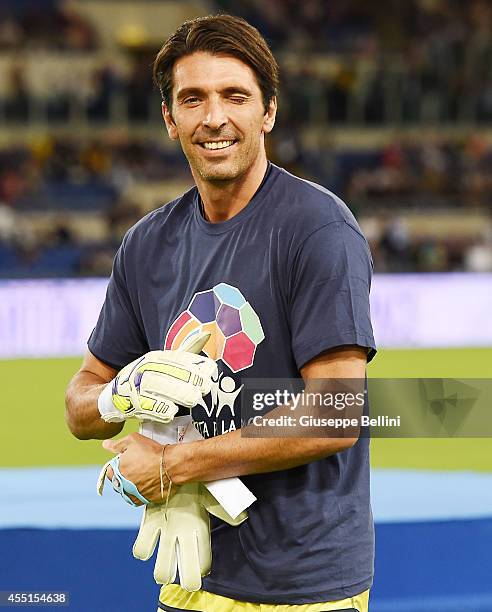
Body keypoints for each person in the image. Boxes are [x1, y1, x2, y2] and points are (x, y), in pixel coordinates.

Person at [65, 14, 376, 612]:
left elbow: (338, 413)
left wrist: (172, 462)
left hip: (302, 586)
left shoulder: (318, 229)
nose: (214, 118)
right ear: (169, 118)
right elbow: (82, 403)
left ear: (268, 112)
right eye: (193, 99)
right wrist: (119, 395)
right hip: (188, 571)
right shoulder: (147, 243)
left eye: (235, 95)